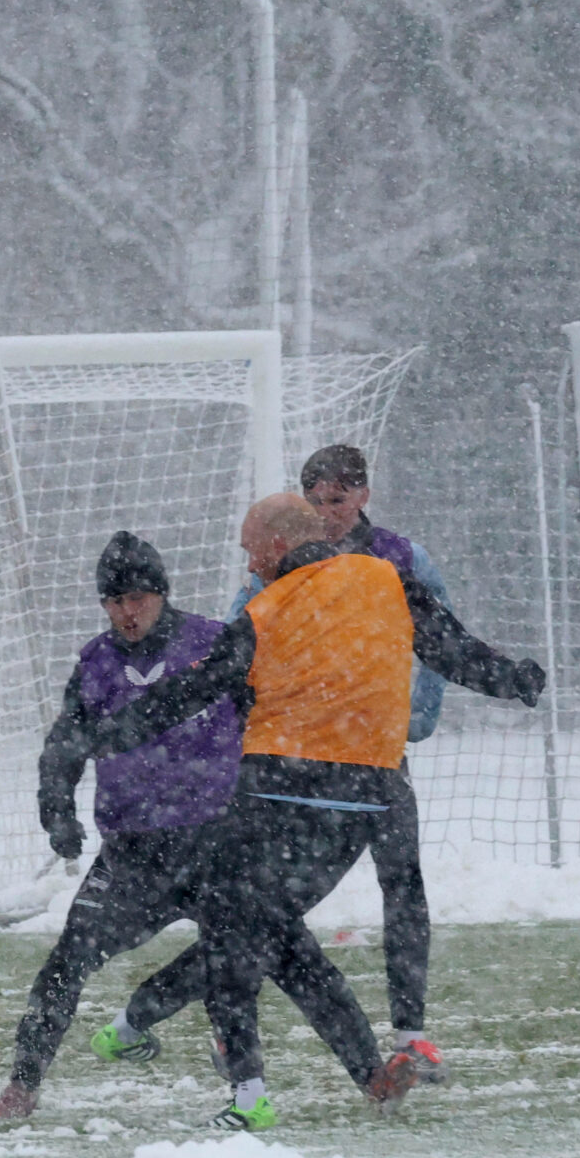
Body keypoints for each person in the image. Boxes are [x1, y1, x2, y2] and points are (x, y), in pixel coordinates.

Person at [78, 494, 544, 1130]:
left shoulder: (266, 610)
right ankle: (371, 1074)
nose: (249, 562)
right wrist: (511, 677)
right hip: (364, 798)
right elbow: (451, 648)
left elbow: (194, 688)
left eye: (250, 550)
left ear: (275, 547)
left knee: (234, 932)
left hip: (275, 795)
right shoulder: (387, 580)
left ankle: (246, 1095)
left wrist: (106, 732)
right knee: (281, 937)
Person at [101, 442, 461, 1079]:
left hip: (375, 760)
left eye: (338, 500)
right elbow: (241, 665)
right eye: (316, 501)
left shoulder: (398, 562)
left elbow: (437, 640)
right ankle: (202, 1030)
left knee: (398, 889)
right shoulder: (271, 582)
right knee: (268, 917)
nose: (328, 512)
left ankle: (409, 1034)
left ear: (362, 497)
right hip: (293, 771)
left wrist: (412, 721)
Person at [0, 533, 241, 1120]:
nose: (128, 612)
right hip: (134, 852)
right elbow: (63, 747)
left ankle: (238, 1069)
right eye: (114, 600)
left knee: (238, 954)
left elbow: (264, 719)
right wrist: (57, 811)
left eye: (139, 598)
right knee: (65, 962)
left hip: (214, 842)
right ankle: (23, 1084)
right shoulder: (96, 664)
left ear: (161, 594)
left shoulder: (213, 646)